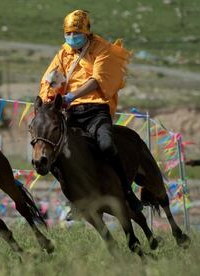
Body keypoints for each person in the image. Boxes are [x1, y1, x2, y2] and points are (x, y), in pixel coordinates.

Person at [39, 10, 143, 213]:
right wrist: (49, 98)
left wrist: (72, 95)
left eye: (75, 33)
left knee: (105, 144)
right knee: (52, 152)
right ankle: (76, 199)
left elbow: (98, 79)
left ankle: (126, 191)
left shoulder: (103, 49)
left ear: (86, 32)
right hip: (70, 113)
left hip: (96, 110)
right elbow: (50, 79)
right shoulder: (62, 53)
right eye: (68, 33)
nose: (71, 37)